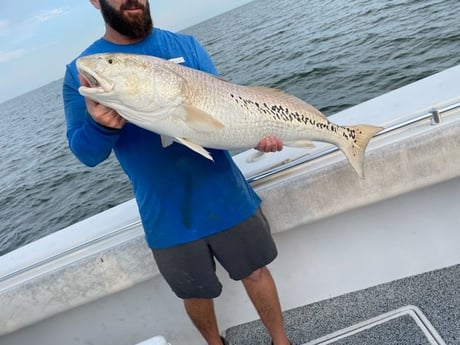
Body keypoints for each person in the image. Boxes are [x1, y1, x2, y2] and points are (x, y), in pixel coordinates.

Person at [63, 1, 290, 344]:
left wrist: (260, 137)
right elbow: (86, 154)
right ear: (96, 1)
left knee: (256, 271)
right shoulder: (85, 71)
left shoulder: (185, 47)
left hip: (225, 193)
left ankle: (281, 342)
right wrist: (99, 126)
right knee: (195, 293)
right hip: (167, 214)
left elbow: (228, 109)